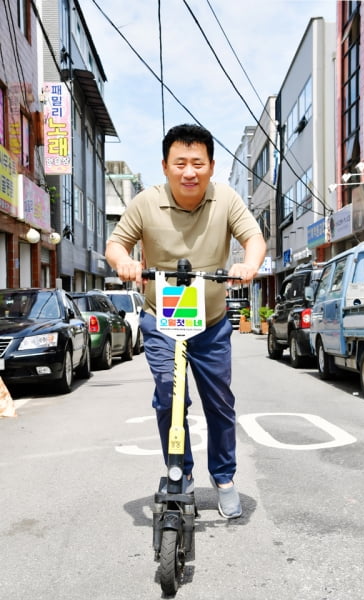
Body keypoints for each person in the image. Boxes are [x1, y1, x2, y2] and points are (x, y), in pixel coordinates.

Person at [106, 124, 266, 519]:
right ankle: (182, 475)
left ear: (212, 166)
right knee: (168, 395)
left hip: (210, 321)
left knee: (220, 402)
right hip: (161, 318)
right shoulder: (145, 202)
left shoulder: (226, 199)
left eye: (198, 163)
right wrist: (124, 261)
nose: (189, 171)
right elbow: (116, 243)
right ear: (165, 166)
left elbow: (254, 239)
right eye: (180, 163)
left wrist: (248, 264)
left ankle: (224, 478)